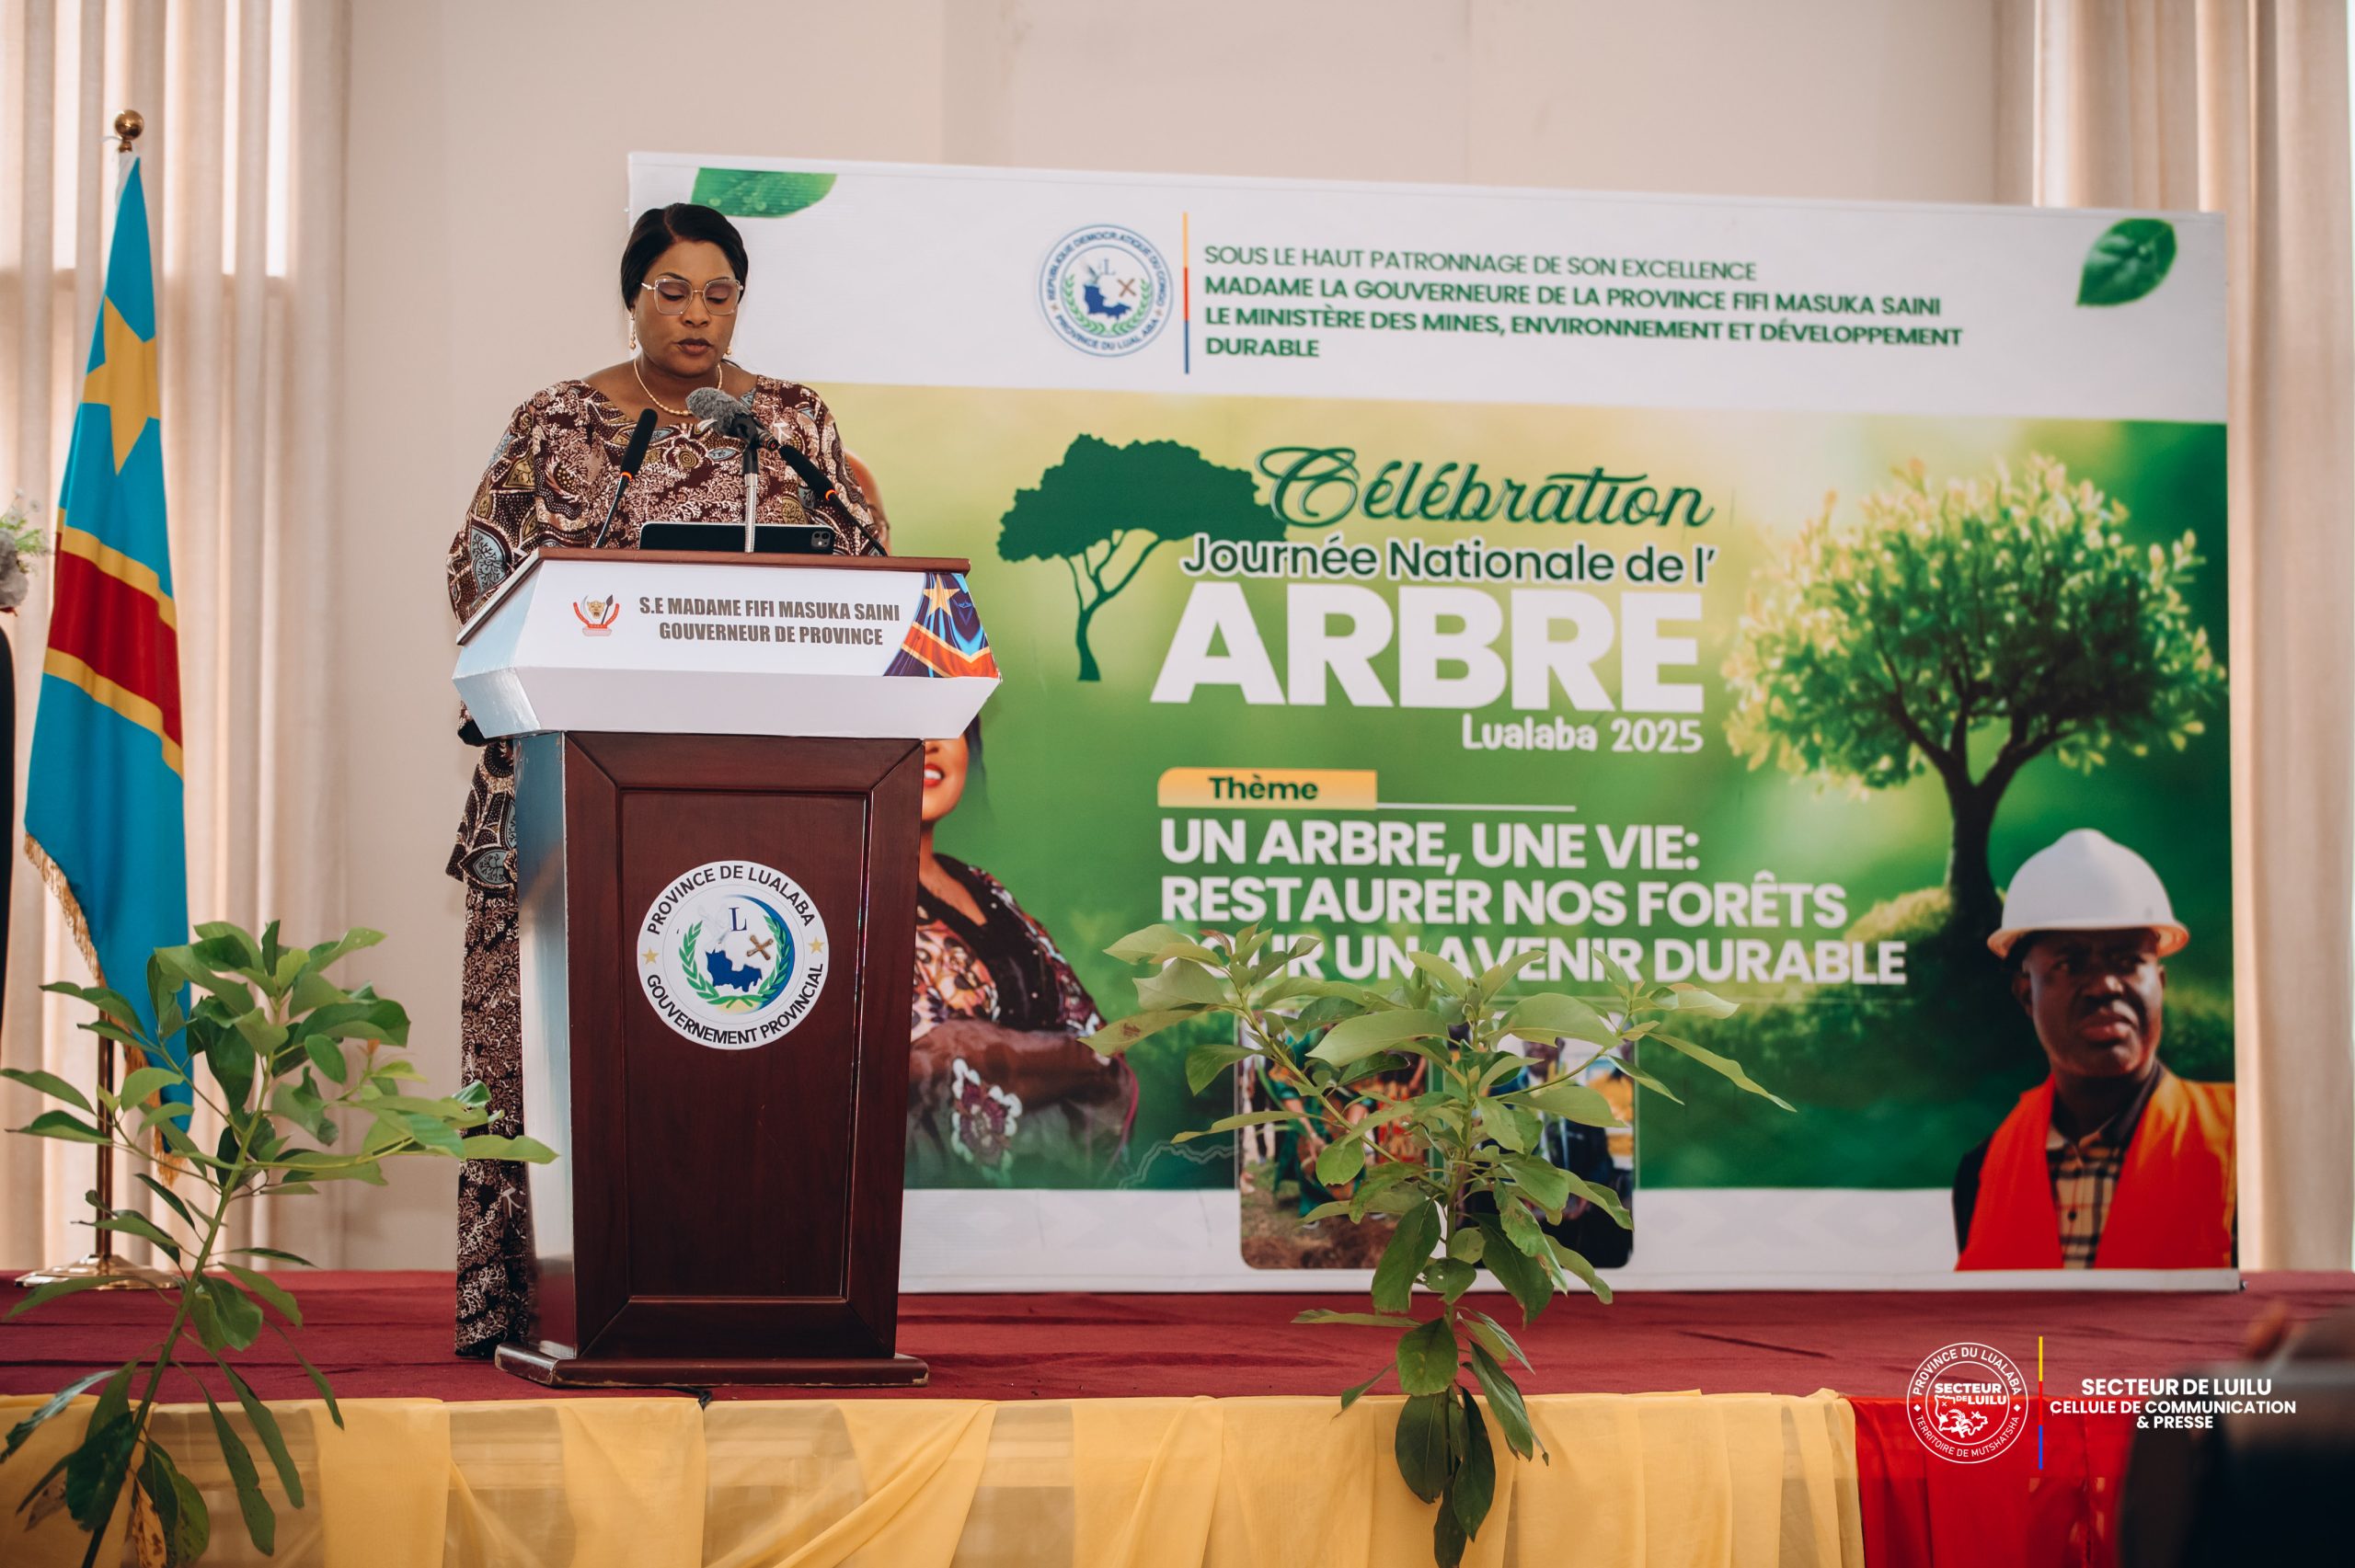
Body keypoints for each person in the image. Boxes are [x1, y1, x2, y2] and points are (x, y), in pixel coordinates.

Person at [442, 202, 887, 1356]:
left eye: (720, 294)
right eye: (673, 291)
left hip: (767, 792)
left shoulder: (789, 421)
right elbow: (480, 575)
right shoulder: (557, 421)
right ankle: (536, 1298)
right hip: (571, 783)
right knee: (556, 1051)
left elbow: (866, 570)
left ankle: (757, 1282)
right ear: (631, 296)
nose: (698, 315)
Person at [1953, 829, 2235, 1271]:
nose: (2105, 985)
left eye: (2128, 962)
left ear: (2159, 985)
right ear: (2026, 995)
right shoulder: (1982, 1173)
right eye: (2070, 964)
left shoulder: (2244, 1145)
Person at [909, 722, 1136, 1182]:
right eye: (911, 721)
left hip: (1044, 1202)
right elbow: (908, 1061)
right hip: (917, 1203)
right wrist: (1065, 1062)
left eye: (949, 724)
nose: (931, 742)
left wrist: (983, 1051)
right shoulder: (848, 894)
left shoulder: (984, 887)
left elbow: (1100, 1044)